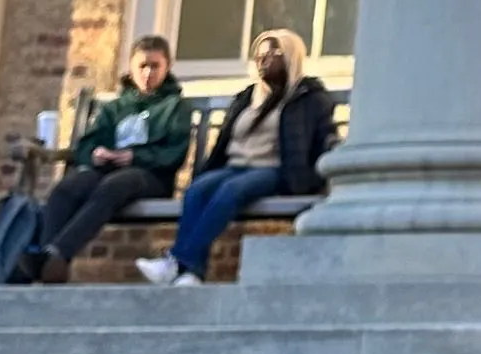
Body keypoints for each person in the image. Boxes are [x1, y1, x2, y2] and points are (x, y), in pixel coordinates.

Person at [136, 28, 334, 285]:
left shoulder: (308, 98)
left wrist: (322, 174)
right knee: (198, 189)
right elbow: (226, 142)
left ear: (290, 57)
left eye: (273, 54)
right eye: (259, 55)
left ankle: (178, 264)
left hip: (275, 169)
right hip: (235, 166)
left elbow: (325, 136)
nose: (264, 60)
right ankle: (191, 272)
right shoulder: (246, 97)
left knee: (230, 191)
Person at [18, 35, 193, 280]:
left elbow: (174, 153)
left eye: (155, 66)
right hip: (106, 171)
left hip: (150, 177)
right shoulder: (115, 107)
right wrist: (96, 154)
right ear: (131, 68)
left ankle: (58, 253)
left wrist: (134, 156)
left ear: (167, 67)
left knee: (114, 185)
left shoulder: (175, 107)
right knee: (67, 188)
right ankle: (49, 259)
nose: (148, 73)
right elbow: (88, 144)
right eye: (142, 66)